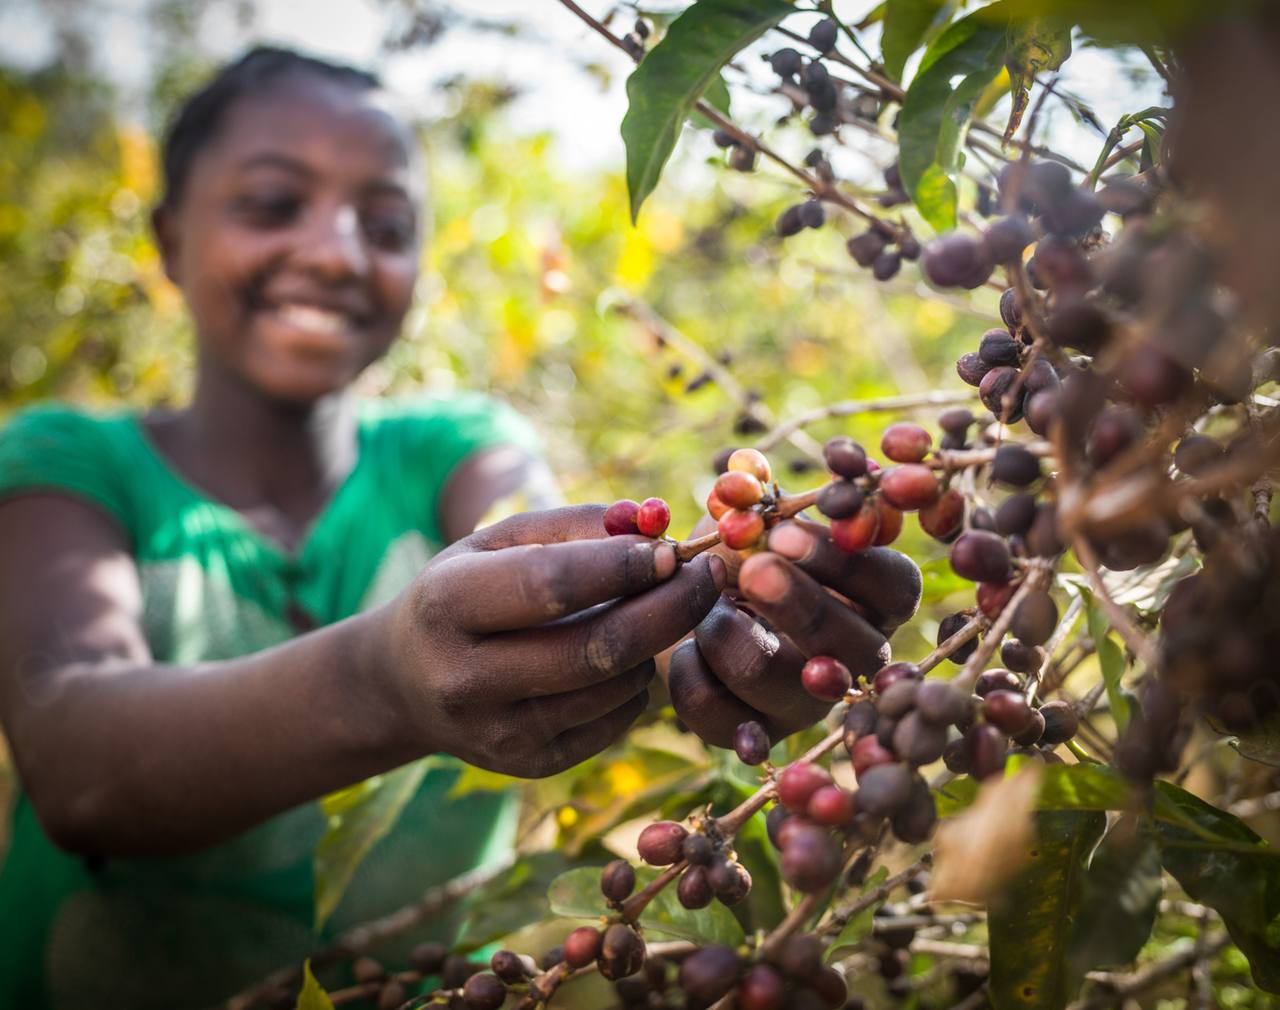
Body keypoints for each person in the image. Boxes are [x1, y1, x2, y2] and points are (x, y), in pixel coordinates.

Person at [0, 47, 919, 1008]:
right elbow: (78, 765)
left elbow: (550, 583)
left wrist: (723, 646)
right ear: (167, 237)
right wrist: (382, 681)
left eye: (386, 224)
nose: (335, 252)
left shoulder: (458, 448)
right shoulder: (69, 463)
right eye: (273, 205)